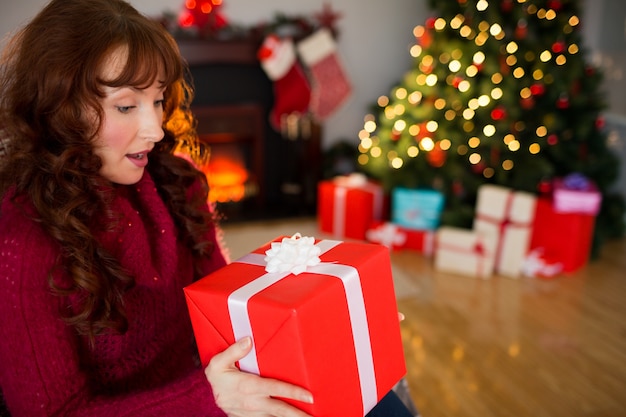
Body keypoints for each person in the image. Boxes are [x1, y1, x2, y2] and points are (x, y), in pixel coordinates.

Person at [0, 1, 415, 416]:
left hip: (213, 392)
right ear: (59, 106)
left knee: (377, 401)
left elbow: (230, 309)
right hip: (196, 403)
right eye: (127, 106)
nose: (155, 129)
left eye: (159, 100)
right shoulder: (22, 239)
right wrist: (207, 398)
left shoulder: (175, 181)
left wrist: (326, 321)